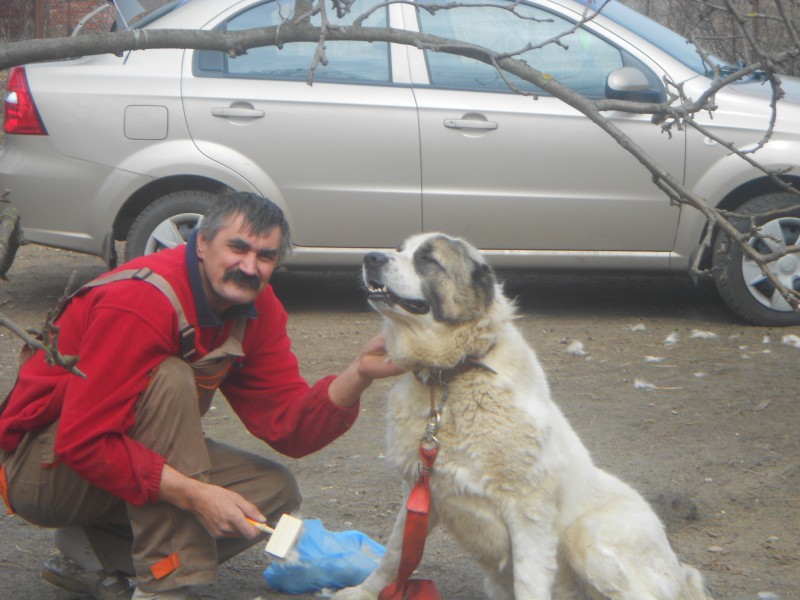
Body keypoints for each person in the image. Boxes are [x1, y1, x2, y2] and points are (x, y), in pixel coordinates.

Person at [0, 191, 402, 600]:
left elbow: (288, 426)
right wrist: (197, 495)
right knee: (171, 378)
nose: (249, 267)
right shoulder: (141, 300)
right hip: (46, 471)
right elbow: (82, 440)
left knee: (270, 490)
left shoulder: (256, 308)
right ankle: (166, 585)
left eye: (265, 256)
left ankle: (91, 552)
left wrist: (358, 373)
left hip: (113, 459)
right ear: (202, 243)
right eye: (237, 248)